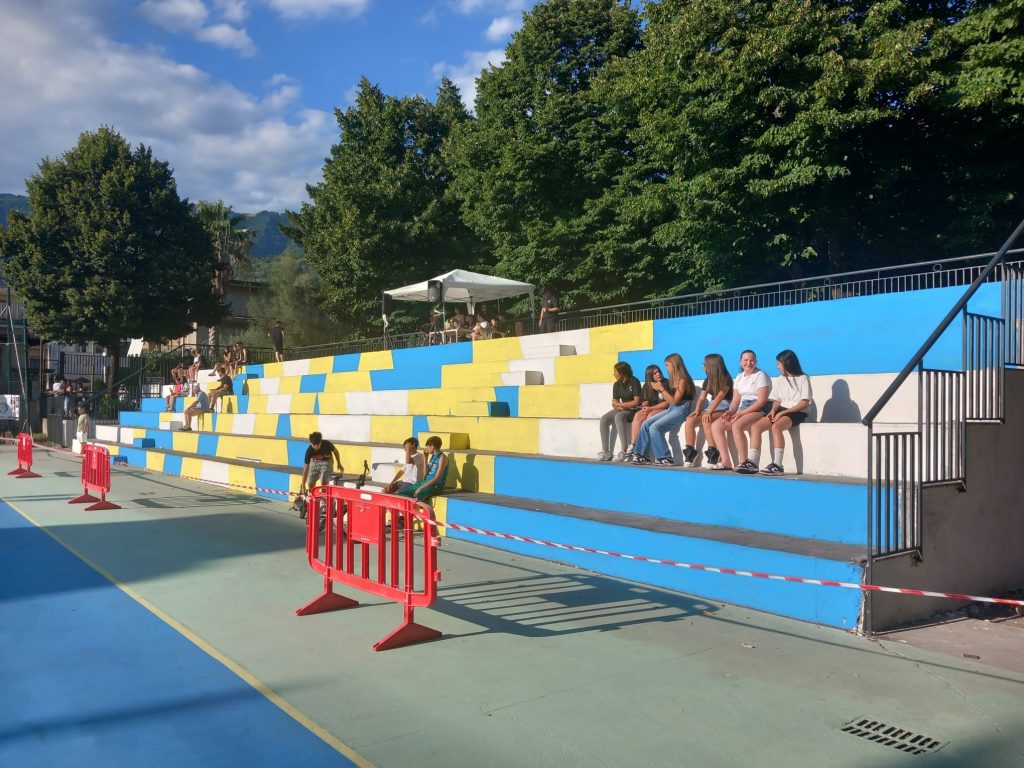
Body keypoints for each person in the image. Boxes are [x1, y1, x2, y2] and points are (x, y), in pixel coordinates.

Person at [744, 350, 813, 475]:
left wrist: (781, 414)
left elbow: (804, 403)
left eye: (778, 363)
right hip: (781, 410)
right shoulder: (781, 378)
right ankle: (752, 463)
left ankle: (778, 465)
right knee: (756, 427)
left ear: (787, 363)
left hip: (797, 411)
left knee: (776, 426)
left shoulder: (803, 378)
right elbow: (777, 399)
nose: (777, 366)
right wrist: (774, 411)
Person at [709, 350, 771, 471]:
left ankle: (744, 462)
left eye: (752, 360)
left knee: (737, 425)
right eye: (745, 360)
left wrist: (741, 413)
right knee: (717, 425)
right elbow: (736, 399)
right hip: (743, 408)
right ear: (740, 362)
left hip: (759, 409)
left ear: (756, 361)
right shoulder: (739, 377)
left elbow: (761, 401)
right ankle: (726, 462)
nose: (749, 363)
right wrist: (731, 411)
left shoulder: (761, 375)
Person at [630, 353, 696, 466]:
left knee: (655, 427)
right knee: (646, 424)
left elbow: (674, 401)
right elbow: (671, 403)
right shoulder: (673, 379)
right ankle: (641, 455)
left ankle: (665, 457)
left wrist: (661, 389)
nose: (666, 368)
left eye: (667, 365)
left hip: (681, 410)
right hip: (672, 409)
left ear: (674, 365)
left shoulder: (683, 380)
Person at [682, 353, 733, 467]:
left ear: (712, 366)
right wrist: (697, 409)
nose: (703, 366)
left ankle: (713, 453)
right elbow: (702, 397)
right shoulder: (708, 380)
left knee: (706, 419)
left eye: (704, 364)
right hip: (712, 405)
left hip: (725, 406)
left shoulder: (726, 379)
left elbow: (720, 397)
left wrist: (709, 411)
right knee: (690, 420)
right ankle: (690, 452)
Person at [598, 362, 642, 461]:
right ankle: (605, 451)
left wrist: (622, 405)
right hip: (623, 408)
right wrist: (620, 407)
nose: (614, 374)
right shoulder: (616, 384)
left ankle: (624, 450)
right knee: (604, 419)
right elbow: (614, 403)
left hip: (633, 410)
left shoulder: (634, 381)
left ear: (622, 373)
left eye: (615, 372)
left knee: (619, 417)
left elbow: (636, 402)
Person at [625, 365, 671, 460]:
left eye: (659, 371)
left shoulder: (666, 383)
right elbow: (645, 400)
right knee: (638, 415)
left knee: (650, 415)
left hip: (664, 409)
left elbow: (667, 403)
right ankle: (634, 444)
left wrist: (650, 408)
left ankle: (644, 452)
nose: (658, 374)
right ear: (650, 376)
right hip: (652, 408)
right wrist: (644, 404)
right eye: (655, 373)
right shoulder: (647, 385)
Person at [396, 435, 449, 502]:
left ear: (432, 446)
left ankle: (417, 509)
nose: (426, 448)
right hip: (426, 482)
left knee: (418, 494)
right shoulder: (432, 456)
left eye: (427, 446)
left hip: (436, 486)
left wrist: (421, 488)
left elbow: (437, 478)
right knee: (403, 493)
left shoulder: (442, 458)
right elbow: (425, 474)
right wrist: (425, 458)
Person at [298, 431, 343, 498]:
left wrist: (339, 463)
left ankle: (324, 499)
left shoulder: (327, 444)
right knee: (310, 481)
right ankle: (312, 497)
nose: (315, 447)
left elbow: (336, 452)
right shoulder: (309, 451)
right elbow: (306, 469)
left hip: (326, 462)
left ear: (321, 442)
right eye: (313, 445)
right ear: (311, 443)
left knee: (324, 481)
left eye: (317, 445)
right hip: (314, 462)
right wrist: (303, 485)